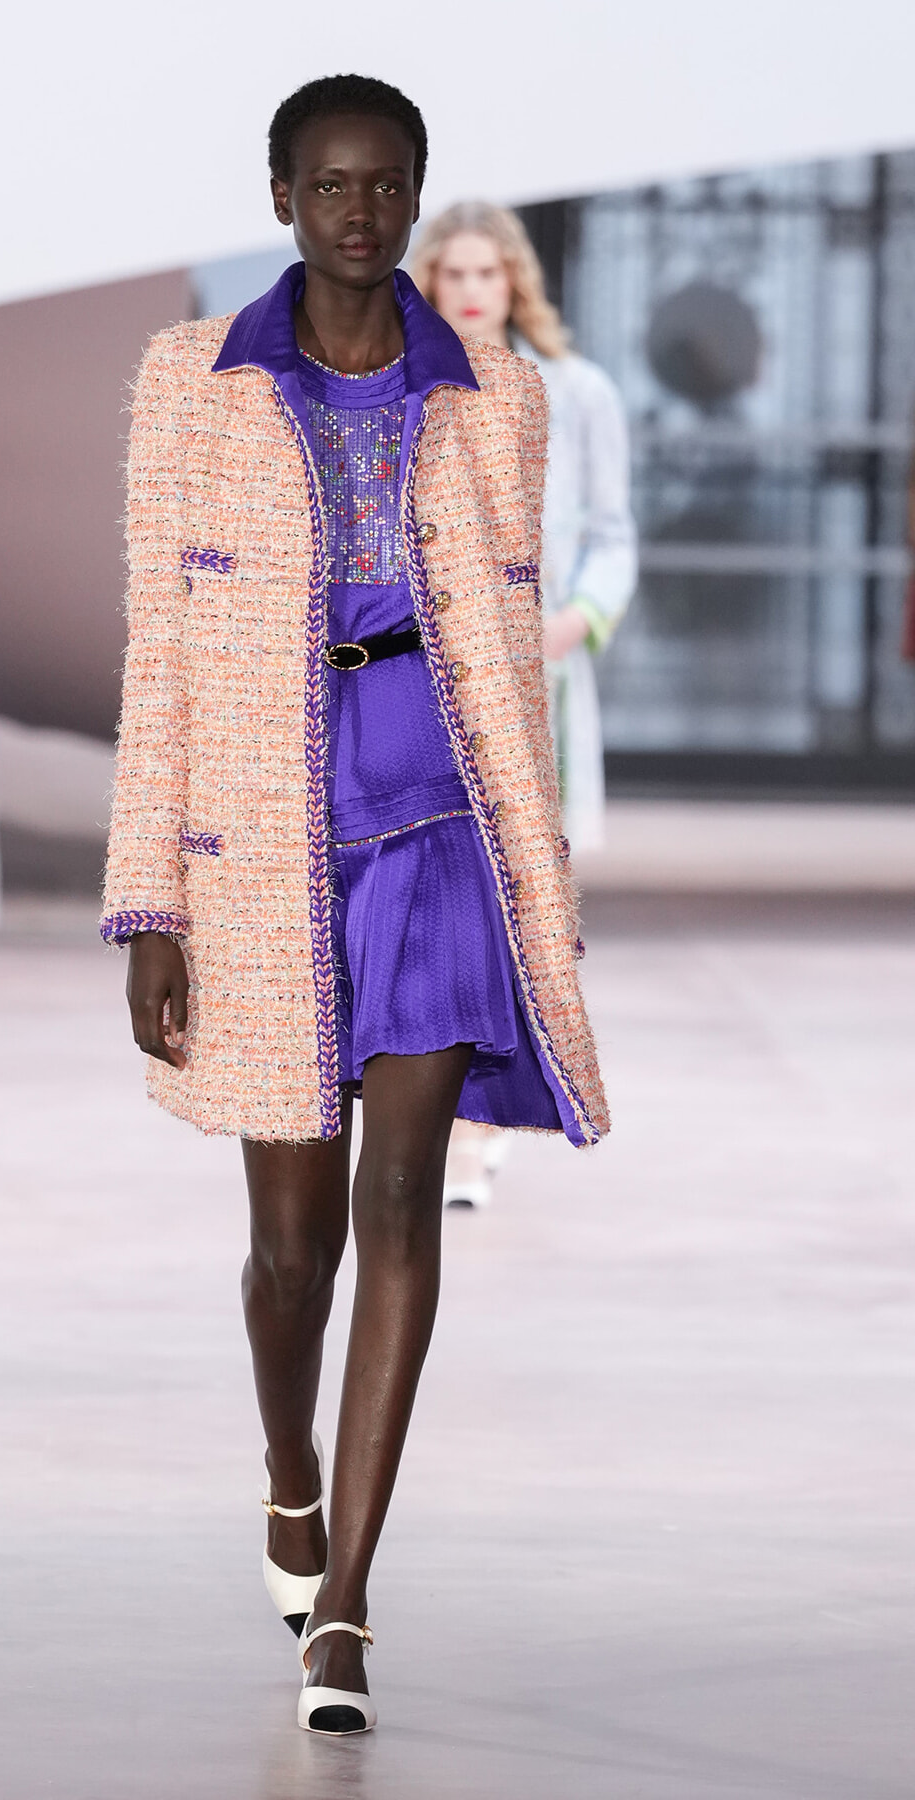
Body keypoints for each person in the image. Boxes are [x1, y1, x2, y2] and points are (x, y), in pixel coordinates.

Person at [104, 74, 608, 1736]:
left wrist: (540, 868)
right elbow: (158, 656)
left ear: (416, 196)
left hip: (436, 810)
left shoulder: (498, 396)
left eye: (387, 184)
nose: (360, 211)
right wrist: (147, 898)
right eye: (330, 184)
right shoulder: (192, 384)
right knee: (290, 1248)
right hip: (263, 820)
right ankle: (288, 1466)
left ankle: (350, 1609)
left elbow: (505, 648)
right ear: (280, 194)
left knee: (403, 1202)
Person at [410, 202, 637, 1208]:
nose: (469, 293)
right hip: (419, 689)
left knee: (510, 910)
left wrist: (576, 618)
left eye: (486, 276)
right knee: (435, 910)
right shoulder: (402, 390)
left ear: (515, 287)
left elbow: (613, 534)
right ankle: (449, 1120)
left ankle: (482, 1117)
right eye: (451, 274)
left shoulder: (577, 395)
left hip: (533, 685)